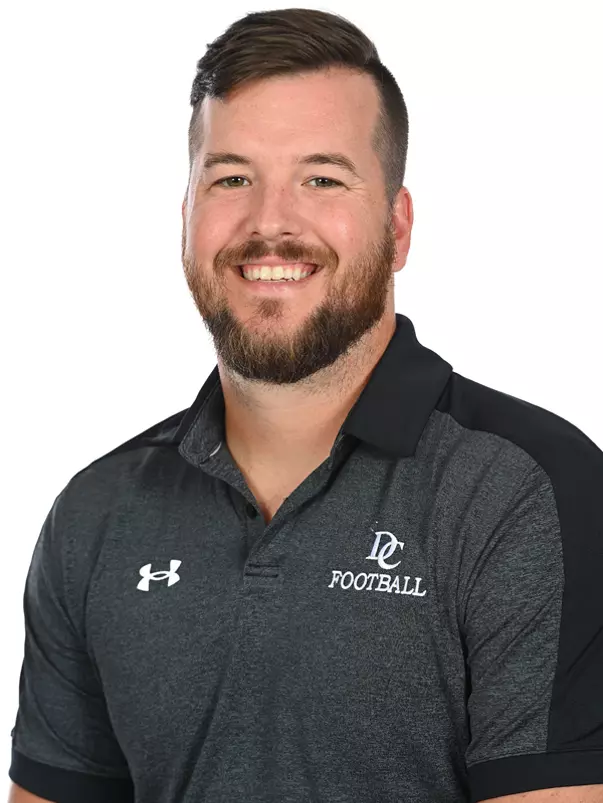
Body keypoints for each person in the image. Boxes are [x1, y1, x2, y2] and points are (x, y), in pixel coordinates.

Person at [7, 8, 603, 803]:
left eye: (321, 178)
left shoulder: (527, 490)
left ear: (396, 227)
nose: (270, 223)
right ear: (186, 220)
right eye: (231, 179)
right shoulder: (97, 513)